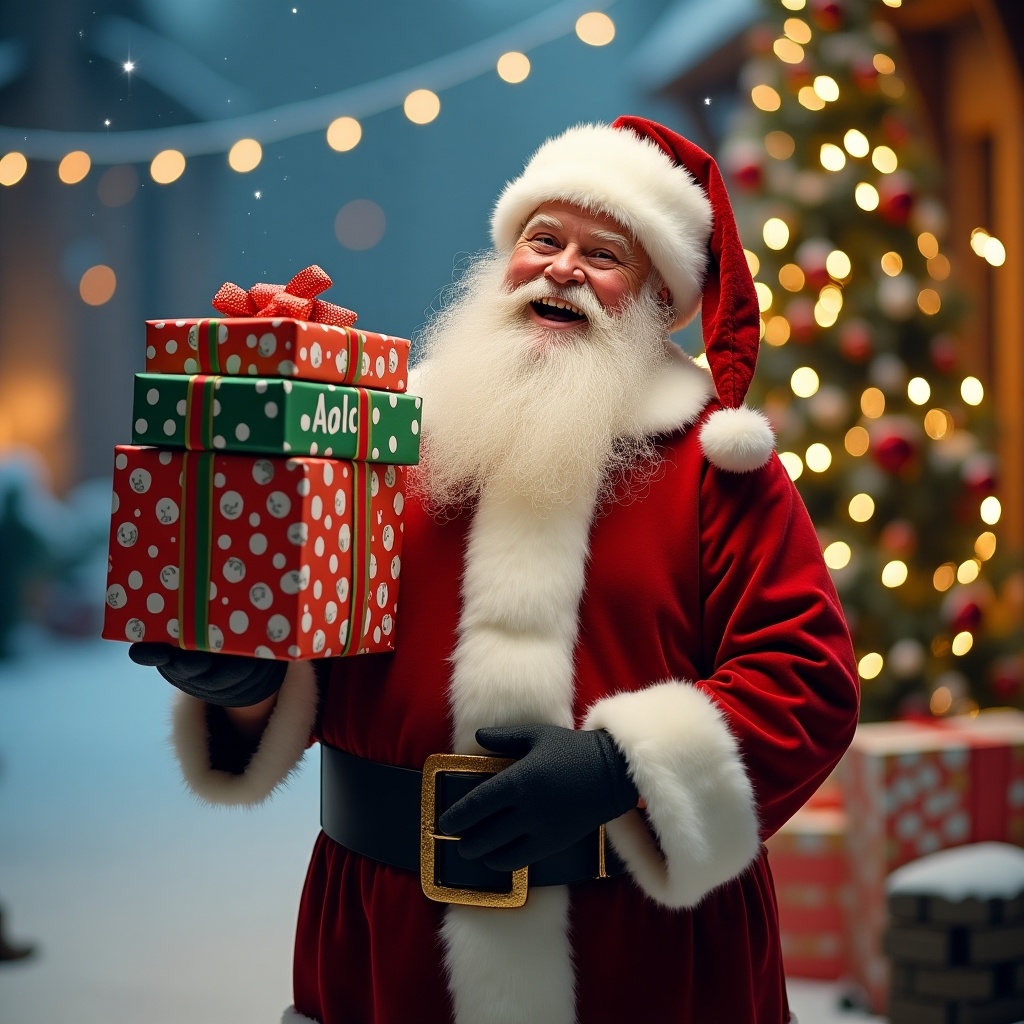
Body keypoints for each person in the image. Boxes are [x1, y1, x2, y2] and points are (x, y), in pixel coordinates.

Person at [129, 116, 860, 1024]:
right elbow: (316, 637)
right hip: (391, 942)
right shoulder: (390, 442)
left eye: (604, 255)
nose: (561, 269)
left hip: (641, 952)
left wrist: (620, 767)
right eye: (542, 239)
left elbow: (808, 682)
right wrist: (240, 687)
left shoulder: (715, 467)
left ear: (660, 302)